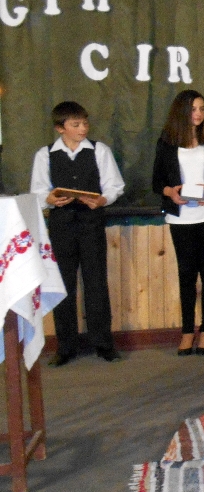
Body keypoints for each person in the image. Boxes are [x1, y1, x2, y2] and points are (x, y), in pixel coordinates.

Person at [30, 101, 125, 366]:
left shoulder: (99, 150)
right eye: (76, 124)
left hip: (91, 223)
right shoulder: (45, 154)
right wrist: (49, 198)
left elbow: (114, 185)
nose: (83, 128)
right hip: (61, 225)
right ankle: (66, 346)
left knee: (96, 283)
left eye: (85, 123)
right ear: (60, 128)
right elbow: (38, 191)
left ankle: (103, 343)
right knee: (64, 285)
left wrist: (102, 200)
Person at [152, 90, 204, 355]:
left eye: (202, 109)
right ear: (181, 112)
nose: (198, 114)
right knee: (186, 273)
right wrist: (171, 192)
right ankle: (188, 331)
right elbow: (156, 183)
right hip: (180, 218)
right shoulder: (166, 143)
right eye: (193, 109)